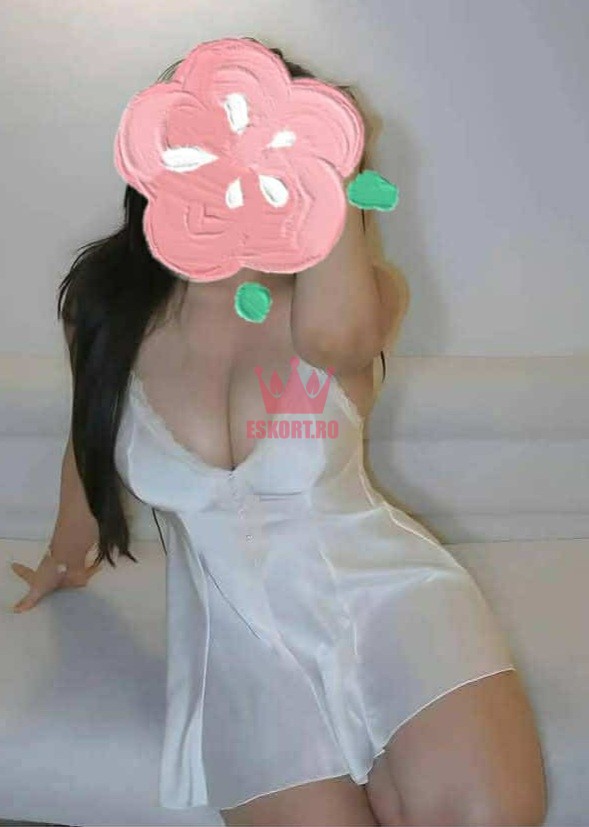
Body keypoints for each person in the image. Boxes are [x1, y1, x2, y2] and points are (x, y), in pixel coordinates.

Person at [11, 46, 547, 827]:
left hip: (392, 602)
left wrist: (325, 171)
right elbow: (90, 432)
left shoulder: (350, 299)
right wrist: (68, 551)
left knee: (484, 815)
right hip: (240, 659)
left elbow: (337, 341)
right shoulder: (106, 309)